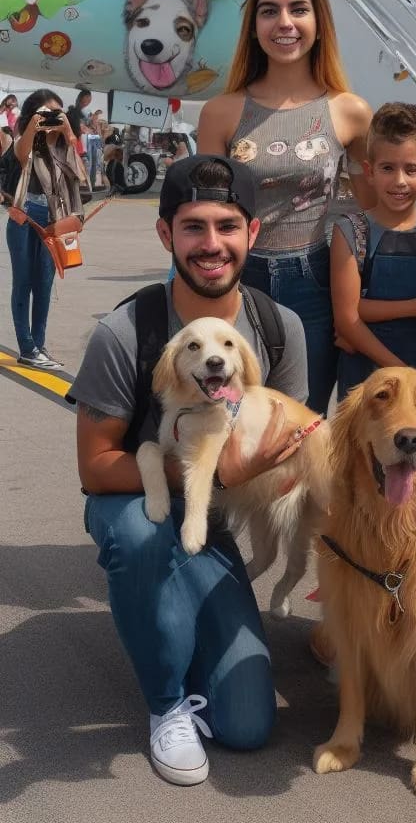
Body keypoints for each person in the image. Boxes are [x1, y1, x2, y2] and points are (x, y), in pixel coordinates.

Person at [70, 154, 311, 786]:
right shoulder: (128, 330)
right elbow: (96, 467)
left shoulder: (278, 330)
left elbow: (292, 446)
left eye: (227, 226)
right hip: (135, 500)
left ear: (252, 234)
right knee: (140, 537)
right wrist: (203, 473)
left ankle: (186, 624)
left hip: (221, 517)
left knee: (247, 725)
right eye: (193, 227)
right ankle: (166, 703)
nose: (212, 245)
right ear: (165, 233)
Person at [197, 0, 372, 415]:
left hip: (315, 284)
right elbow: (203, 220)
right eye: (269, 10)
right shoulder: (220, 113)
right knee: (231, 421)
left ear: (319, 20)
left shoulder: (350, 112)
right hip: (237, 279)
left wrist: (357, 308)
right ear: (253, 23)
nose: (285, 23)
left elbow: (372, 215)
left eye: (298, 9)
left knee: (302, 425)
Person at [331, 102, 416, 396]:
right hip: (365, 380)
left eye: (411, 169)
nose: (399, 181)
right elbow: (347, 319)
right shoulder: (351, 232)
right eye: (387, 168)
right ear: (370, 172)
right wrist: (403, 373)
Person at [6, 89, 88, 368]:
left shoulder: (65, 145)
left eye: (56, 112)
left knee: (44, 284)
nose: (51, 118)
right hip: (25, 217)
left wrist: (68, 131)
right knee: (24, 282)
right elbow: (22, 154)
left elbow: (82, 176)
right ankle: (27, 348)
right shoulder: (24, 140)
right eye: (46, 113)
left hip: (54, 220)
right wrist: (33, 125)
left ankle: (39, 345)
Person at [65, 86, 92, 157]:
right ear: (80, 99)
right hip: (74, 144)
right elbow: (79, 130)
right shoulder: (74, 113)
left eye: (89, 101)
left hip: (75, 144)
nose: (88, 103)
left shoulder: (76, 112)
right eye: (87, 100)